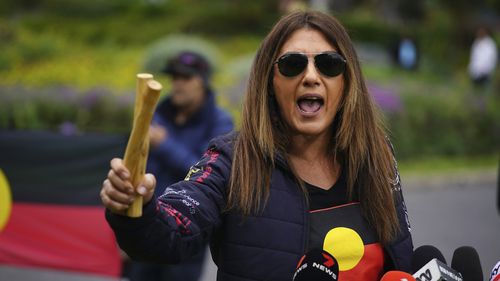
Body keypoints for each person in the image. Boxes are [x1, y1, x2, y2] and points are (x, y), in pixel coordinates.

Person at [101, 11, 413, 281]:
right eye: (292, 64)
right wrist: (136, 208)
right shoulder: (232, 160)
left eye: (329, 64)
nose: (311, 76)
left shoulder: (378, 154)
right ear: (270, 82)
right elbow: (173, 229)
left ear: (347, 81)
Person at [124, 51, 234, 281]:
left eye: (186, 78)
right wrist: (126, 225)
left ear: (202, 82)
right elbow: (138, 171)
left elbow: (208, 175)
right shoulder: (157, 113)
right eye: (174, 77)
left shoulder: (220, 122)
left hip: (189, 225)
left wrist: (165, 145)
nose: (177, 84)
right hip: (149, 220)